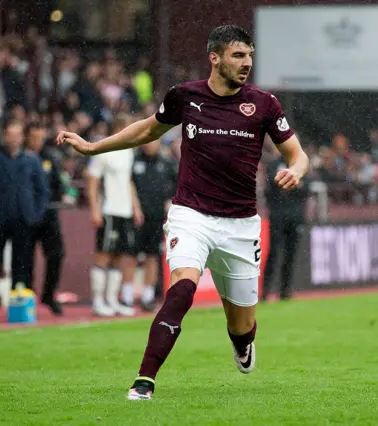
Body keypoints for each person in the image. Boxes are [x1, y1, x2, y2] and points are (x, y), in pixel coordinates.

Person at [56, 25, 308, 400]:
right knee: (182, 289)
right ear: (215, 57)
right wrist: (94, 148)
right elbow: (146, 130)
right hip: (191, 215)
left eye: (250, 56)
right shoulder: (185, 97)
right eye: (238, 55)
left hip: (241, 225)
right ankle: (144, 381)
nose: (246, 63)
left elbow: (297, 154)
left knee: (242, 325)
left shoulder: (265, 104)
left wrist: (297, 170)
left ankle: (242, 343)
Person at [0, 120, 48, 321]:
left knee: (22, 265)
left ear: (22, 138)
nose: (13, 139)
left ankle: (19, 308)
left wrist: (35, 215)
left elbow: (42, 191)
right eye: (10, 135)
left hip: (23, 220)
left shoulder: (31, 161)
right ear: (5, 137)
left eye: (17, 135)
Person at [85, 114, 143, 317]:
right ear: (118, 128)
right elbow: (92, 180)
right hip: (108, 210)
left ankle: (112, 299)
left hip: (125, 210)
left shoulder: (128, 152)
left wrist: (136, 207)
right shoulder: (103, 150)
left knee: (120, 256)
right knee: (104, 254)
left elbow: (128, 181)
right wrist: (94, 209)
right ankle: (98, 300)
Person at [123, 138, 178, 312]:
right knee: (130, 255)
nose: (149, 144)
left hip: (157, 217)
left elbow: (178, 187)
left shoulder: (167, 164)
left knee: (152, 256)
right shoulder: (133, 160)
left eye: (153, 141)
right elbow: (127, 184)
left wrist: (171, 201)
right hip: (135, 216)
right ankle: (127, 296)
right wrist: (134, 207)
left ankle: (148, 296)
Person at [24, 123, 66, 315]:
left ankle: (49, 295)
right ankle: (25, 295)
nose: (37, 141)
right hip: (26, 216)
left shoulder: (50, 157)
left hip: (48, 214)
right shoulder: (21, 158)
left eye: (40, 137)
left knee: (56, 254)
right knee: (24, 258)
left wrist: (56, 199)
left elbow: (58, 184)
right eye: (34, 137)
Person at [262, 147, 311, 301]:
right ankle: (265, 291)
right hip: (278, 216)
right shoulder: (275, 164)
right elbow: (271, 185)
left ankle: (285, 290)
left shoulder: (299, 165)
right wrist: (293, 184)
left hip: (295, 217)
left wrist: (288, 185)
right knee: (274, 253)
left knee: (291, 254)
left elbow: (306, 188)